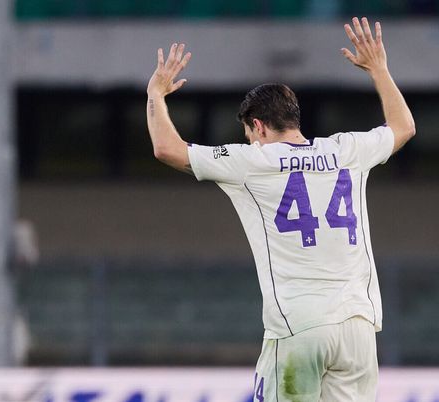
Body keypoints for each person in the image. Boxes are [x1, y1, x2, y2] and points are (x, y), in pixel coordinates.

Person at [145, 17, 414, 401]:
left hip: (299, 326)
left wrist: (156, 92)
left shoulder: (254, 161)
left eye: (249, 135)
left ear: (259, 127)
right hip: (358, 326)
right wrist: (379, 69)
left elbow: (166, 149)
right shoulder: (346, 150)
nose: (249, 142)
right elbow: (403, 126)